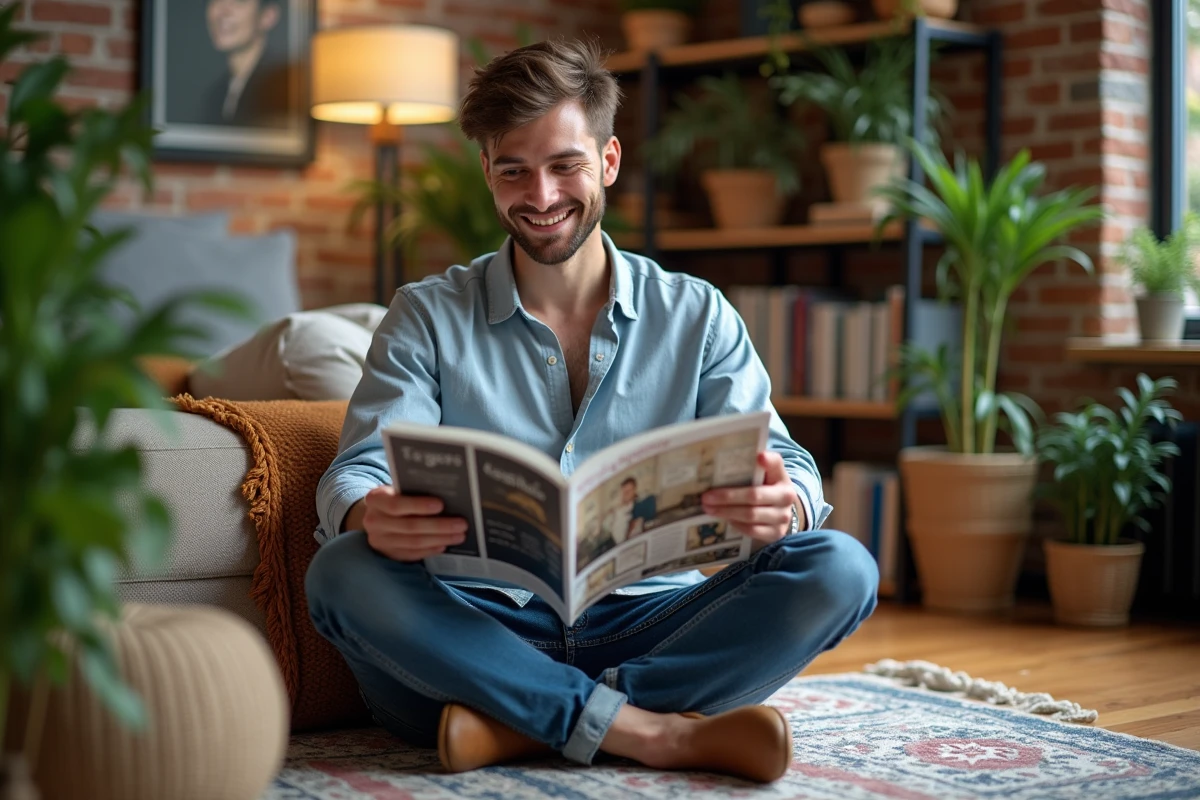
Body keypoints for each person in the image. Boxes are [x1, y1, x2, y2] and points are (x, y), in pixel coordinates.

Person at [305, 38, 878, 783]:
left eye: (564, 165)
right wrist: (367, 512)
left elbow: (789, 463)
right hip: (475, 631)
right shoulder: (426, 315)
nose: (541, 197)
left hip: (650, 625)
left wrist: (786, 503)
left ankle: (520, 724)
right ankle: (651, 731)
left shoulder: (698, 314)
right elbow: (356, 471)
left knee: (840, 567)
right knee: (343, 569)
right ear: (487, 171)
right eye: (514, 170)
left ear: (608, 161)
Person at [201, 0, 289, 127]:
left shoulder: (281, 89)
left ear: (268, 16)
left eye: (239, 1)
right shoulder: (215, 96)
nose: (223, 12)